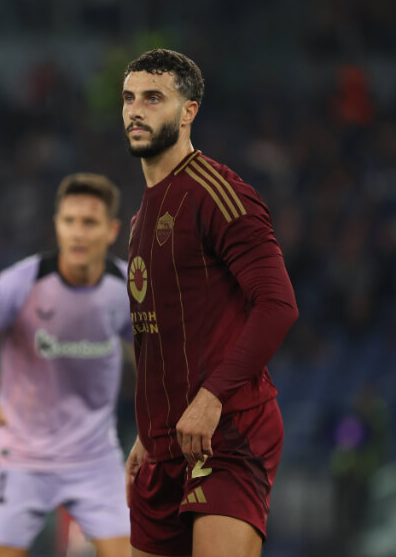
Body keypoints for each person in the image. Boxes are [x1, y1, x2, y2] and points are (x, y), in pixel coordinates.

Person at [120, 49, 298, 557]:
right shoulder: (139, 221)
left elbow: (278, 304)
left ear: (189, 110)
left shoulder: (219, 193)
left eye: (154, 98)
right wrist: (146, 431)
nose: (137, 110)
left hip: (228, 433)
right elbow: (162, 336)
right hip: (164, 446)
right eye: (130, 98)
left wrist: (213, 396)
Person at [0, 173, 132, 557]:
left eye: (90, 223)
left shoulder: (128, 287)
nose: (78, 233)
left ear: (112, 230)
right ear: (56, 226)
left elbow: (159, 351)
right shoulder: (22, 281)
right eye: (69, 222)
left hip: (95, 458)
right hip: (22, 457)